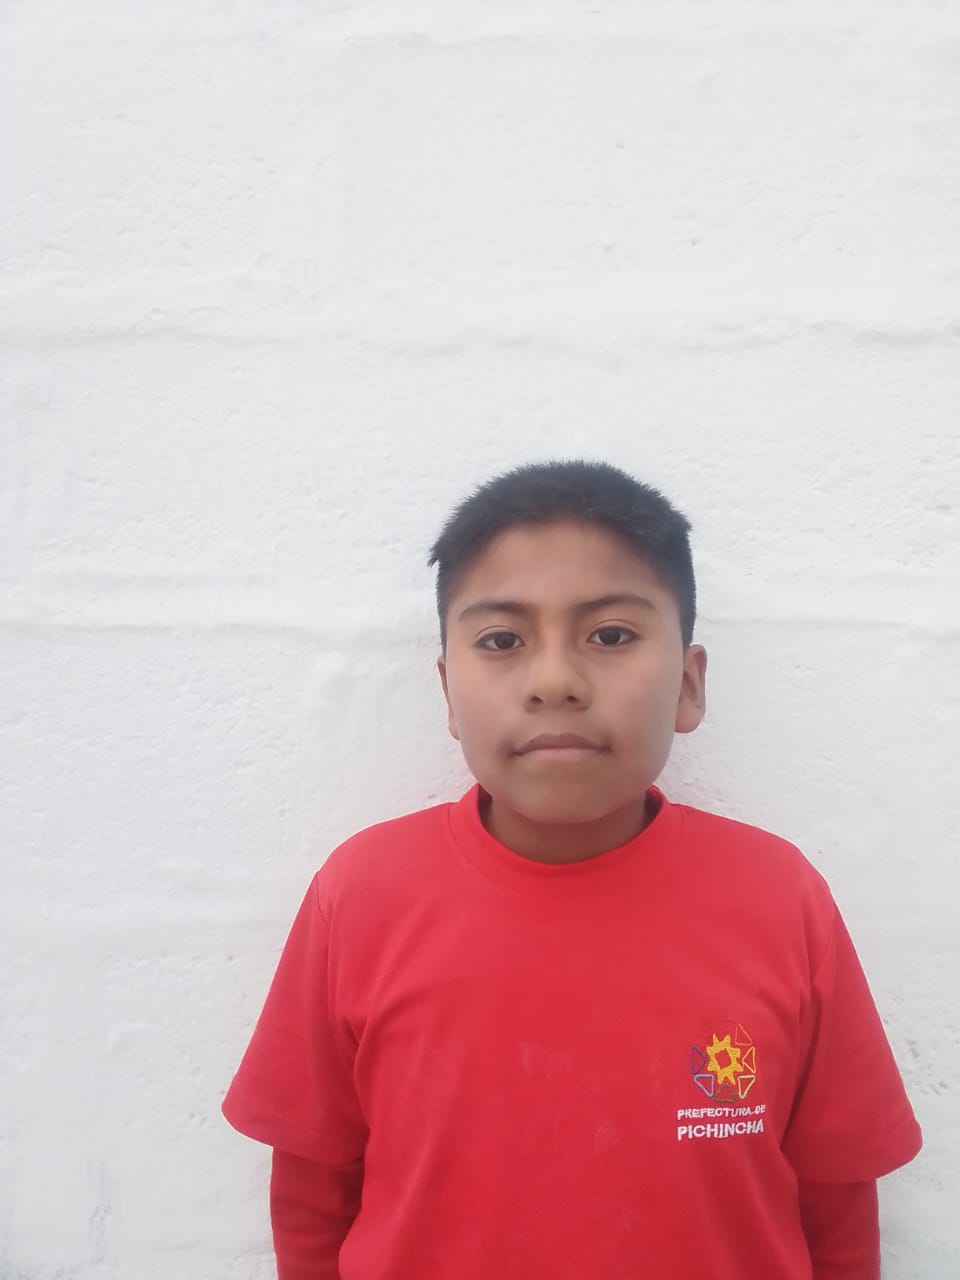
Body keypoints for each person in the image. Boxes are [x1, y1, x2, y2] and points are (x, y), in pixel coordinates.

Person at [222, 459, 921, 1280]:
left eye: (611, 635)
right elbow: (312, 1193)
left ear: (688, 685)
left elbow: (837, 1203)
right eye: (502, 641)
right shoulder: (360, 895)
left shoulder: (781, 897)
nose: (554, 681)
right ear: (448, 693)